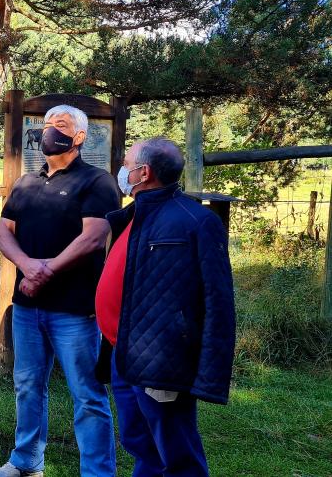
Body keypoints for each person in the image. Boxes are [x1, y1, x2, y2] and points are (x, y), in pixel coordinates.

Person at [0, 105, 119, 477]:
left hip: (74, 310)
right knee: (28, 386)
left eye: (61, 126)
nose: (51, 132)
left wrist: (46, 269)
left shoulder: (98, 182)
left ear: (80, 137)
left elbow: (94, 236)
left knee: (87, 395)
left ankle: (97, 472)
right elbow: (3, 232)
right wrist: (29, 266)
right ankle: (27, 461)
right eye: (47, 125)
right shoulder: (26, 183)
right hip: (27, 308)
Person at [96, 138, 235, 476]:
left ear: (143, 173)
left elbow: (219, 303)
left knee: (176, 451)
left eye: (126, 162)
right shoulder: (133, 215)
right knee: (139, 442)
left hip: (162, 360)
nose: (122, 169)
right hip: (122, 353)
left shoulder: (196, 221)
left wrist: (209, 377)